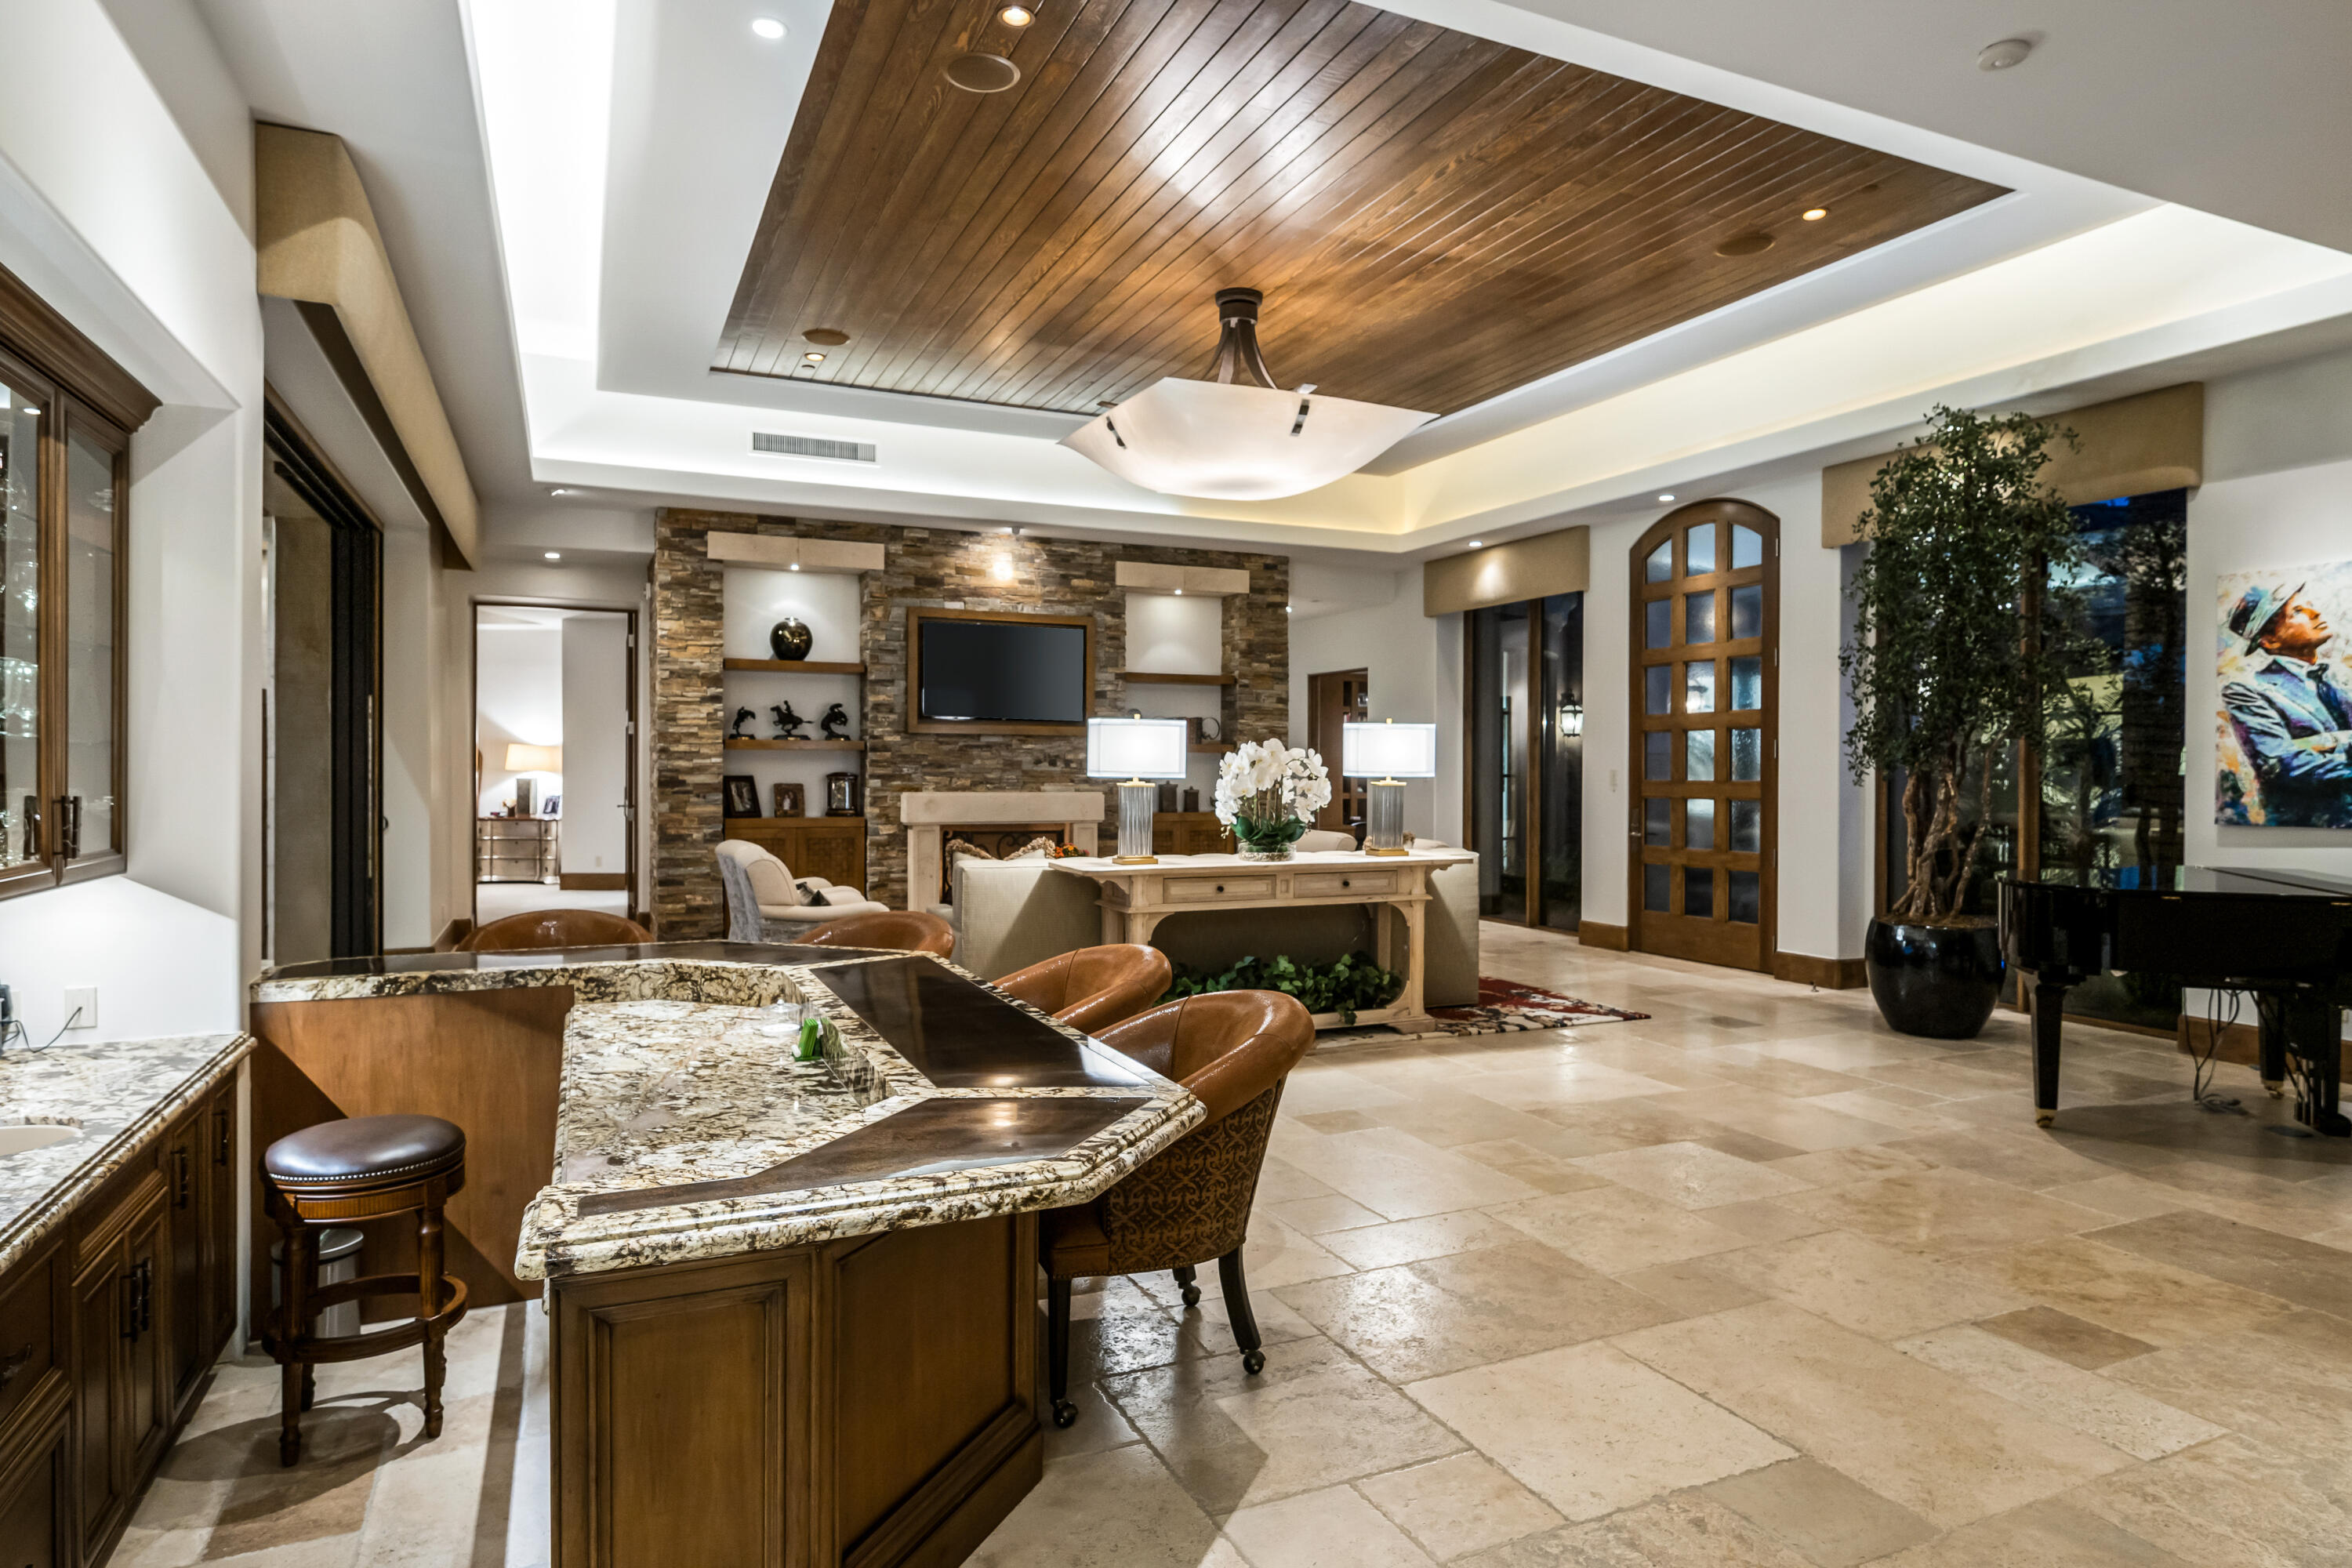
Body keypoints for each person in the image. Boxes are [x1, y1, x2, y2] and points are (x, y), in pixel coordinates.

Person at [2222, 579, 2352, 826]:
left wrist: (2323, 745)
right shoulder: (2248, 690)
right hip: (2310, 827)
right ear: (2269, 641)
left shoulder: (2340, 681)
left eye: (2310, 606)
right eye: (2298, 612)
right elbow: (2281, 765)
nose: (2315, 613)